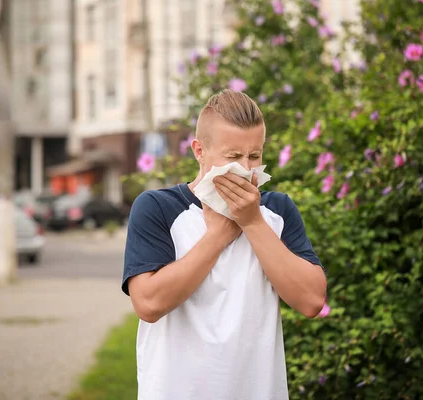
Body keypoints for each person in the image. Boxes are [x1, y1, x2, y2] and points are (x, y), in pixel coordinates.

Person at [122, 89, 327, 400]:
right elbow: (148, 304)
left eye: (255, 156)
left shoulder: (277, 212)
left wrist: (252, 222)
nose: (245, 169)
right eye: (232, 157)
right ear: (199, 151)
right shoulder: (157, 208)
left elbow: (311, 300)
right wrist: (218, 235)